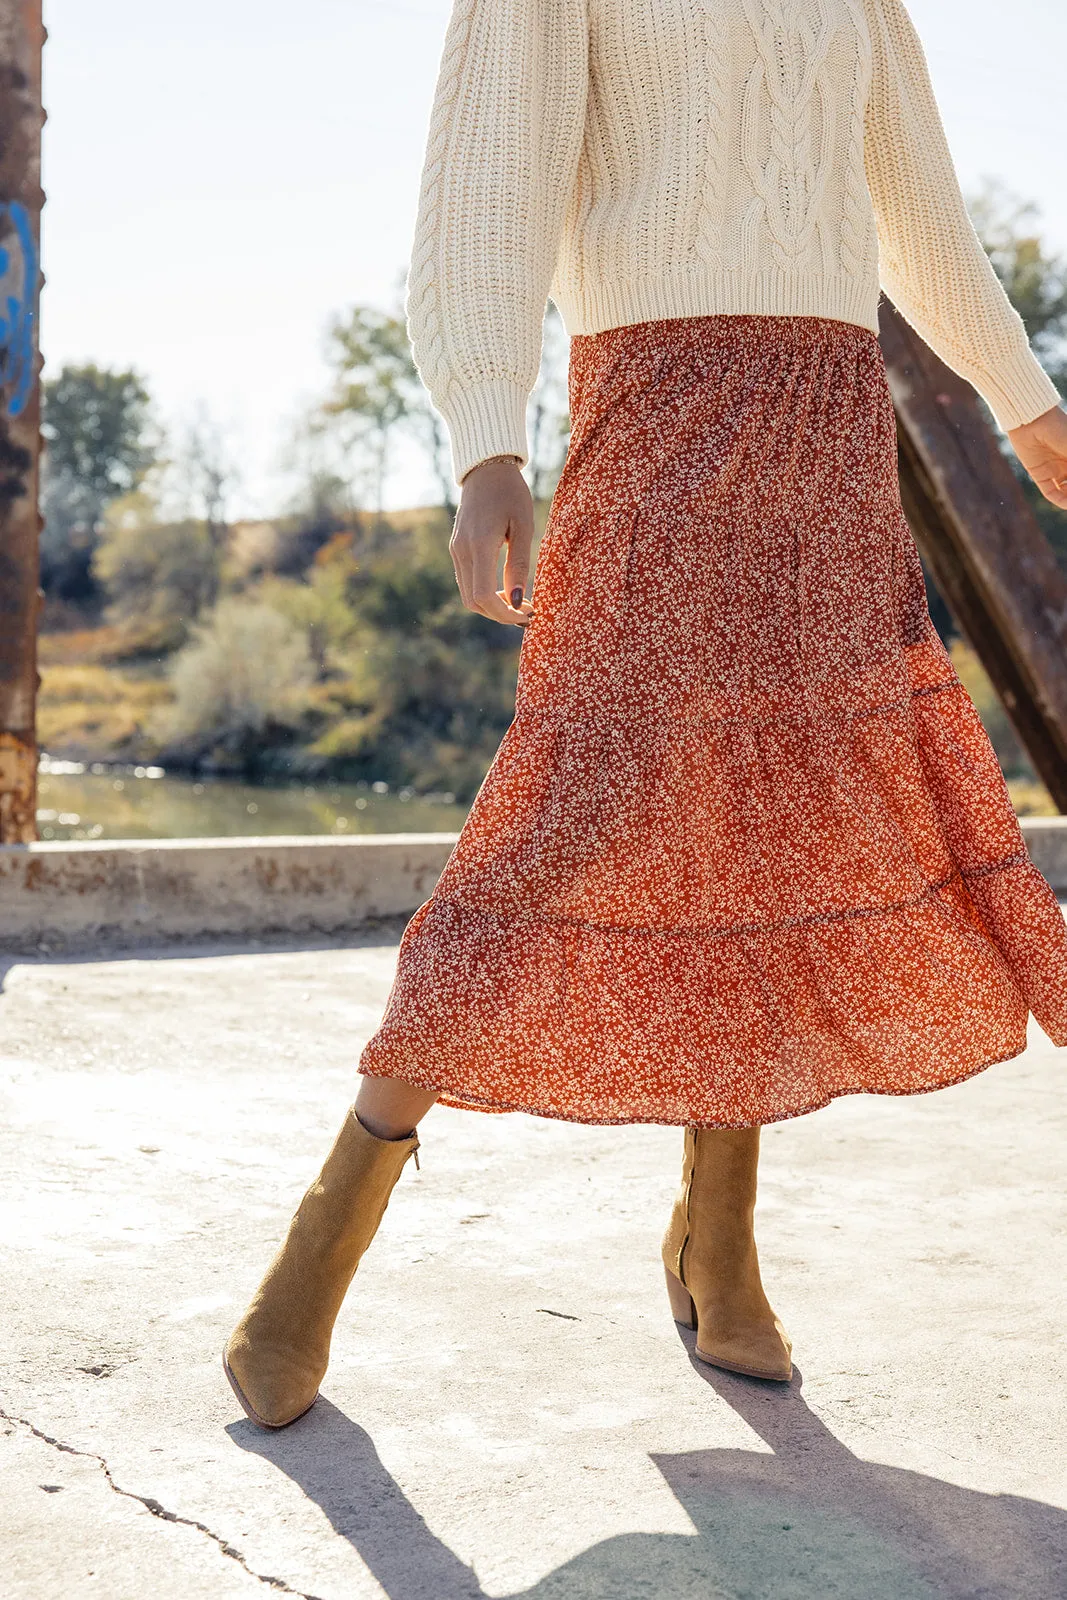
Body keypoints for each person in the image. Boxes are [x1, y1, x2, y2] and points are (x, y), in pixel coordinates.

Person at [223, 0, 1067, 1430]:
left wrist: (1021, 396)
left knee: (772, 832)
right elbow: (484, 191)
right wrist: (486, 437)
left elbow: (914, 197)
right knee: (569, 821)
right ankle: (335, 1215)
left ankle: (717, 1233)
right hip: (657, 408)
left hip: (824, 418)